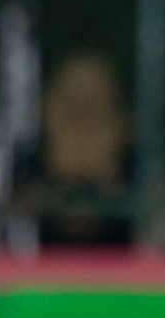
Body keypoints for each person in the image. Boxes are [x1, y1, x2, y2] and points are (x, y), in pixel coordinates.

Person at [11, 51, 135, 246]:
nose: (83, 101)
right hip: (49, 246)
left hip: (111, 248)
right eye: (75, 91)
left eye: (91, 93)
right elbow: (18, 198)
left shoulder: (123, 141)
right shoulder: (36, 147)